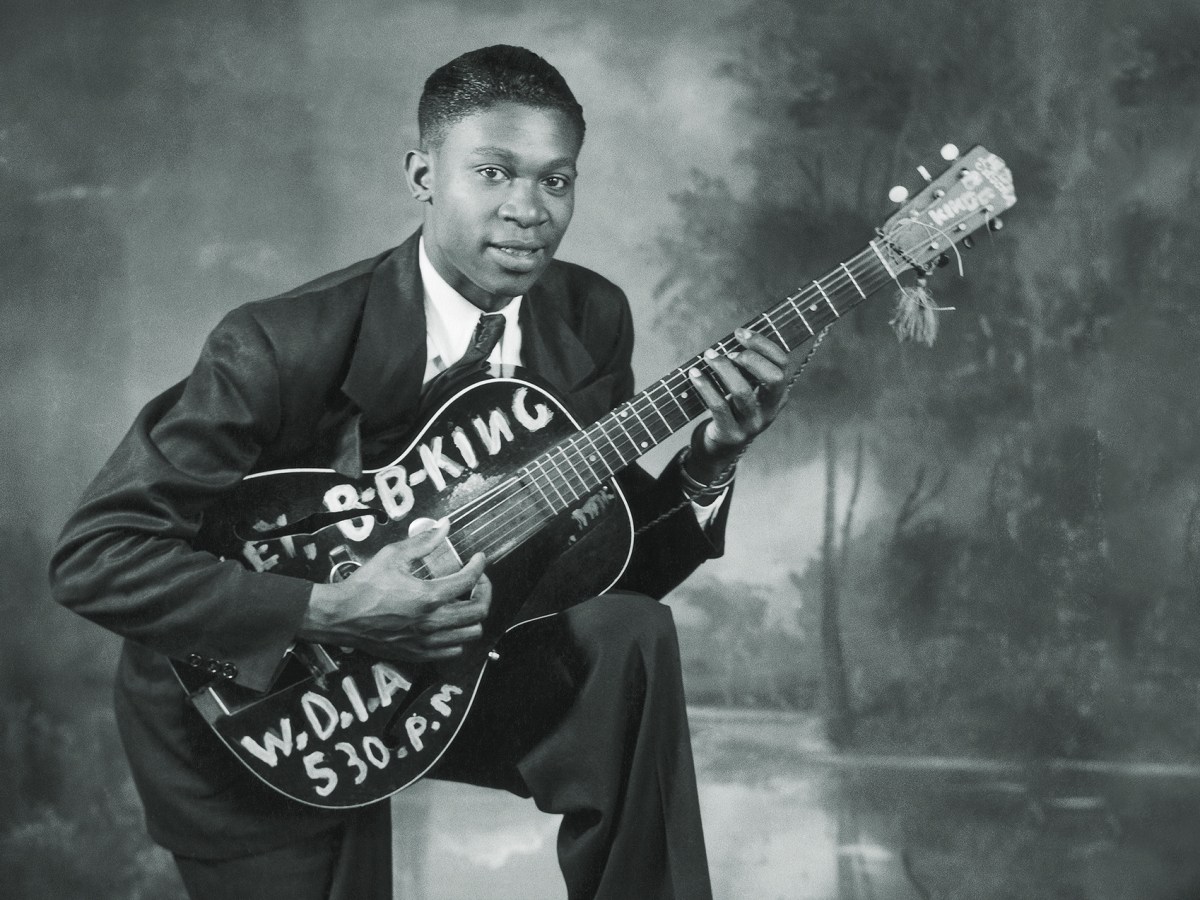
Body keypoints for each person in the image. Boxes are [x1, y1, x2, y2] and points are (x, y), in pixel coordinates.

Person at [49, 45, 797, 900]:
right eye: (494, 172)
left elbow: (600, 563)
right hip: (259, 706)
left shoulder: (590, 319)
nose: (529, 211)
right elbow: (94, 557)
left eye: (557, 182)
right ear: (422, 174)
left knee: (630, 640)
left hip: (461, 662)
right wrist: (337, 608)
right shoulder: (276, 345)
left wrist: (710, 458)